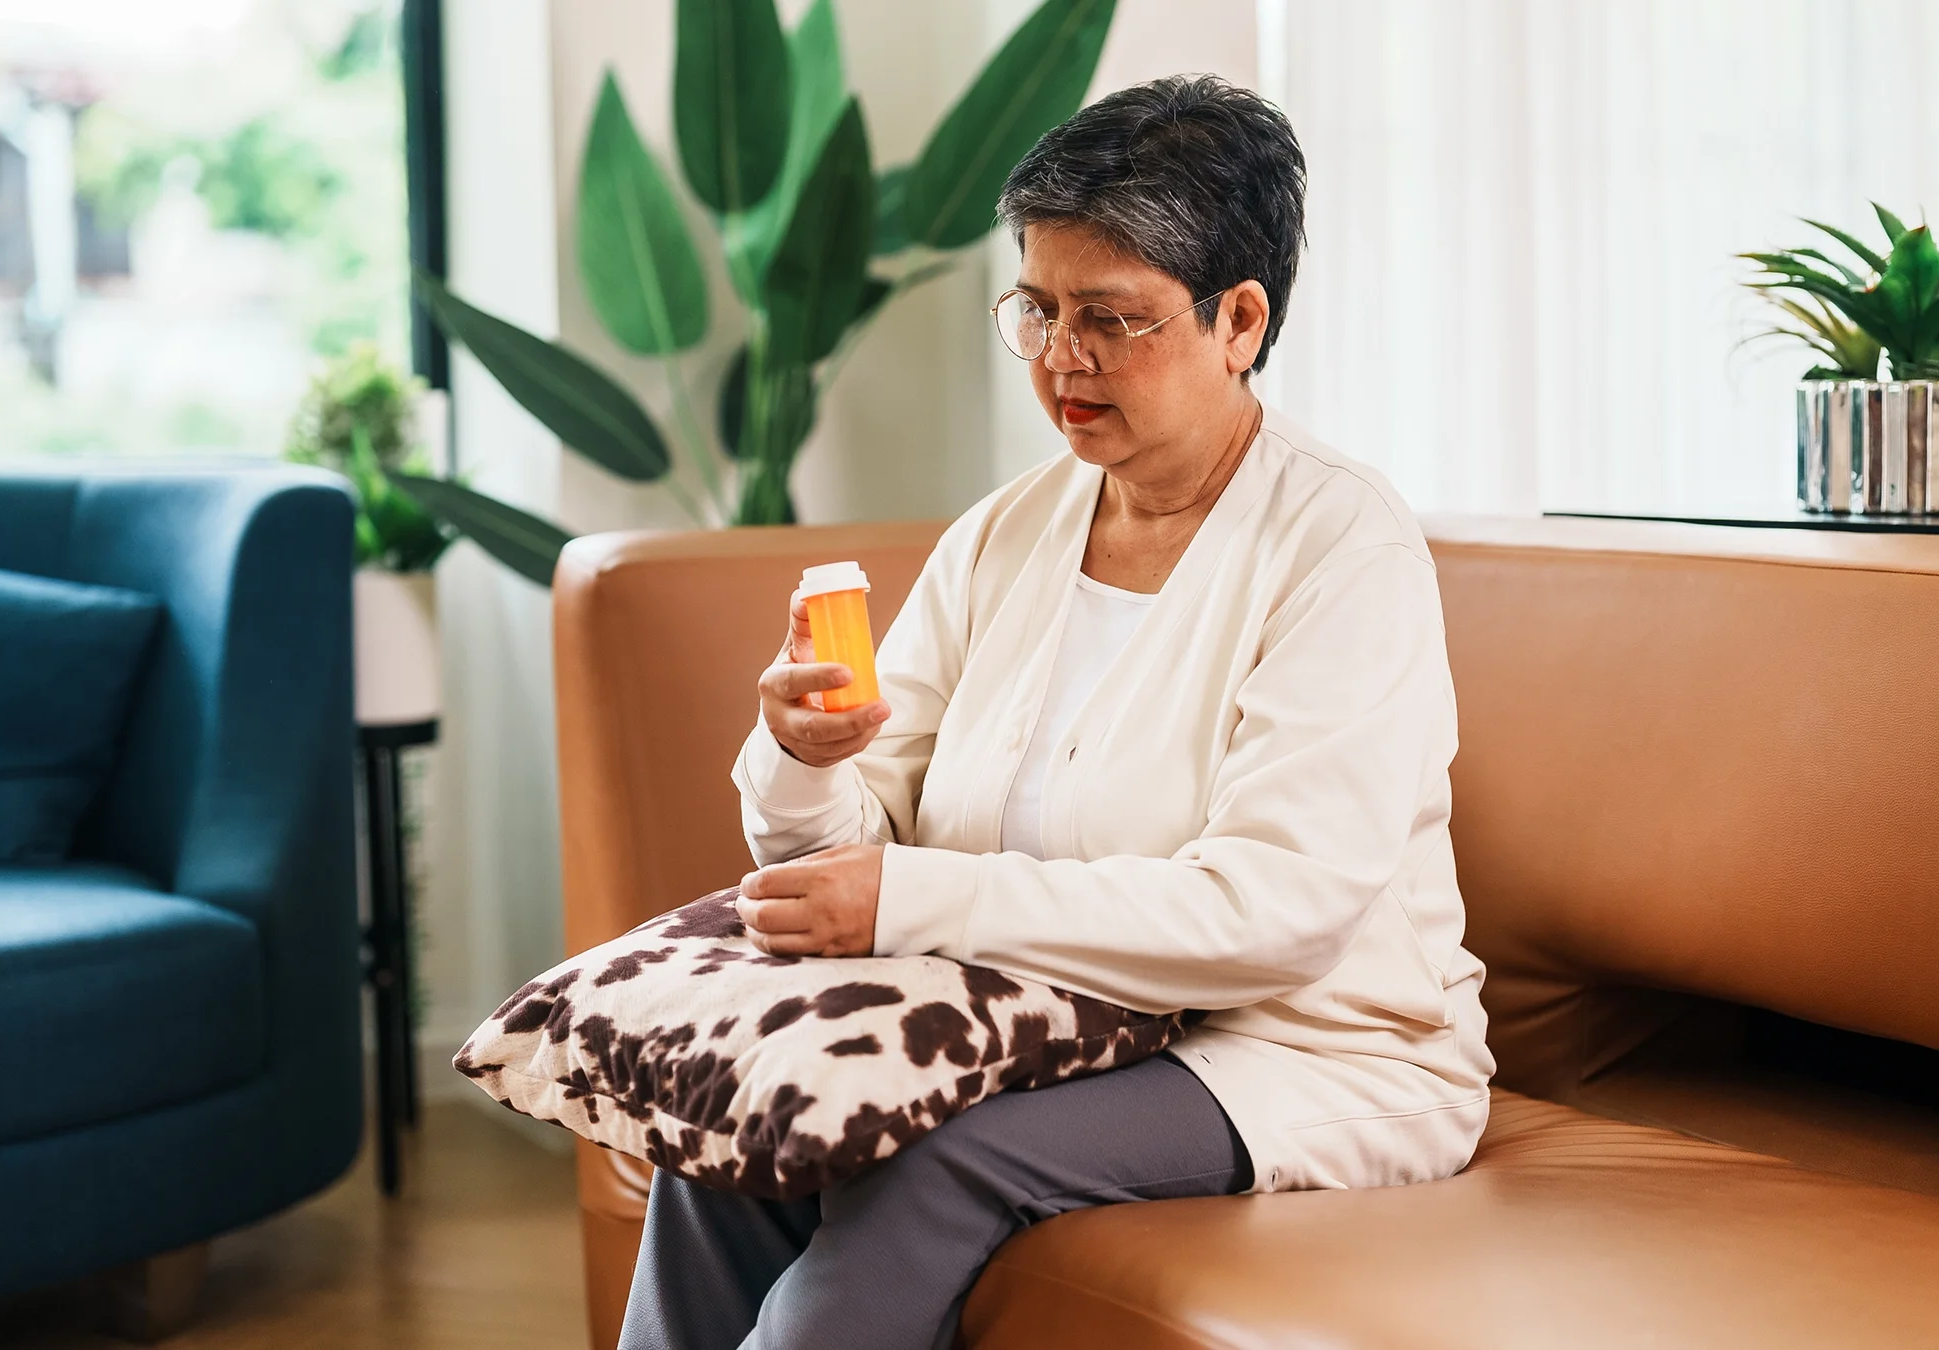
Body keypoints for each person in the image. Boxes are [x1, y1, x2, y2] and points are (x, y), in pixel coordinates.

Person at [617, 74, 1494, 1350]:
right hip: (1027, 1024)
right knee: (736, 1129)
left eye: (1111, 318)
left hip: (1296, 1051)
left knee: (936, 1162)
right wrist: (804, 762)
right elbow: (840, 859)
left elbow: (1275, 918)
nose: (1060, 358)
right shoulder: (1009, 533)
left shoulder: (1340, 547)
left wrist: (910, 897)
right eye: (1035, 308)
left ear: (1239, 320)